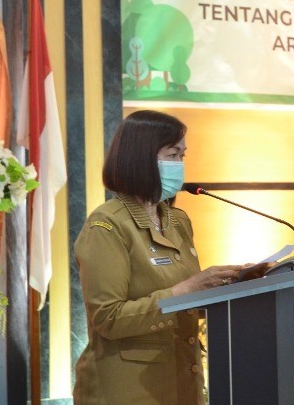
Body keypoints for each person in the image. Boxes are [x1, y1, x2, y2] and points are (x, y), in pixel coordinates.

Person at [73, 110, 257, 404]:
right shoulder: (106, 225)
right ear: (141, 158)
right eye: (172, 155)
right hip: (127, 391)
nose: (179, 165)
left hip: (182, 379)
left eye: (182, 156)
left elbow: (188, 305)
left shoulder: (177, 221)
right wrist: (186, 290)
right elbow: (108, 318)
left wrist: (233, 286)